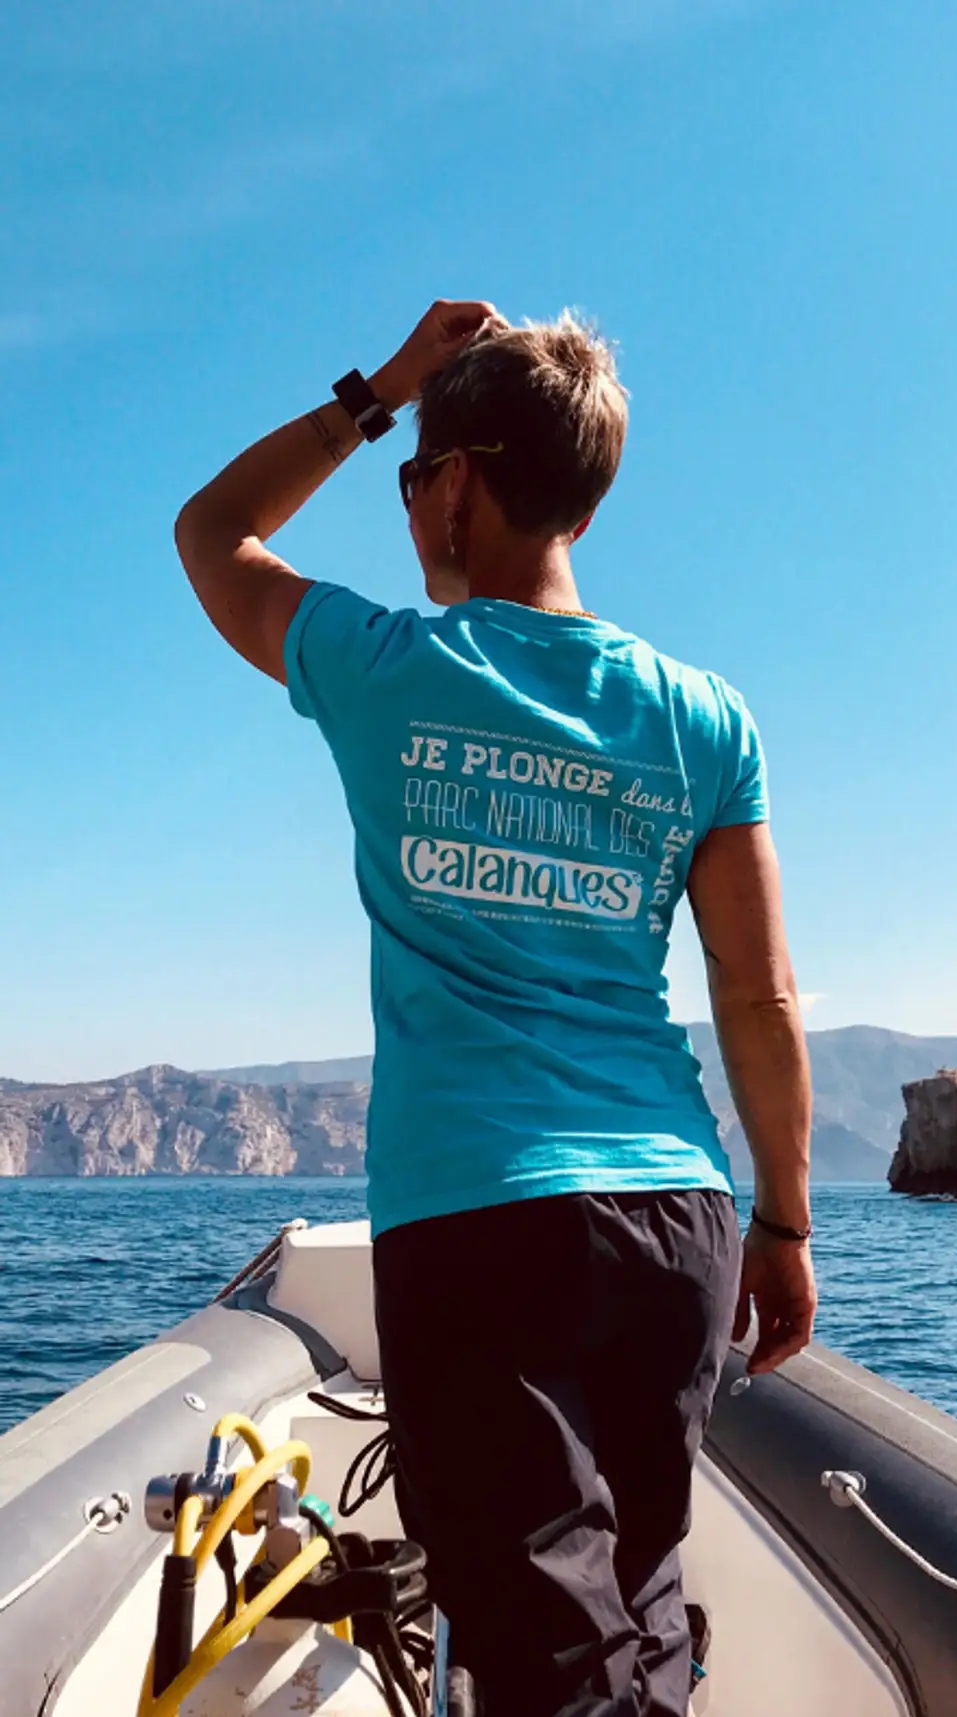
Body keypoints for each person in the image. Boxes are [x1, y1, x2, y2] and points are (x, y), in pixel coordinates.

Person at [174, 299, 817, 1713]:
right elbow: (757, 997)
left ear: (456, 479)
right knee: (640, 1606)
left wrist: (375, 389)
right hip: (677, 1218)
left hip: (481, 1222)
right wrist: (783, 1222)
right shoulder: (706, 715)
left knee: (544, 1668)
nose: (412, 512)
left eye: (415, 476)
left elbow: (212, 533)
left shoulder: (387, 668)